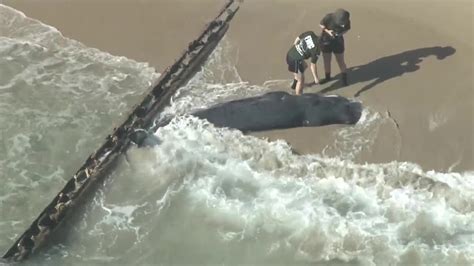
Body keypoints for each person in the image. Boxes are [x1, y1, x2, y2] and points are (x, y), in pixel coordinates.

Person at [319, 8, 351, 86]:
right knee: (327, 60)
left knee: (340, 61)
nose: (342, 24)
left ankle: (344, 79)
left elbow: (346, 30)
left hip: (338, 42)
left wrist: (339, 34)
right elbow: (321, 24)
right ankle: (327, 77)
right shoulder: (328, 17)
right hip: (326, 40)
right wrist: (328, 31)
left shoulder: (347, 21)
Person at [286, 31, 321, 95]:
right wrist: (316, 78)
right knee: (301, 80)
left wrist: (295, 46)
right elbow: (313, 65)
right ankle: (298, 97)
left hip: (290, 53)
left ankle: (294, 85)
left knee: (304, 66)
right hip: (295, 60)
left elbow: (298, 38)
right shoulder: (317, 50)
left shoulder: (310, 34)